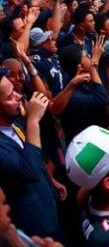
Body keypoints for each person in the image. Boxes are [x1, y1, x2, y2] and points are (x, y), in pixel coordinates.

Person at [0, 70, 62, 240]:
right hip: (35, 224)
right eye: (10, 96)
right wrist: (33, 120)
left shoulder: (14, 124)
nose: (19, 96)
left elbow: (31, 152)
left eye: (14, 91)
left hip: (48, 200)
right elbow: (29, 170)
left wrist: (50, 179)